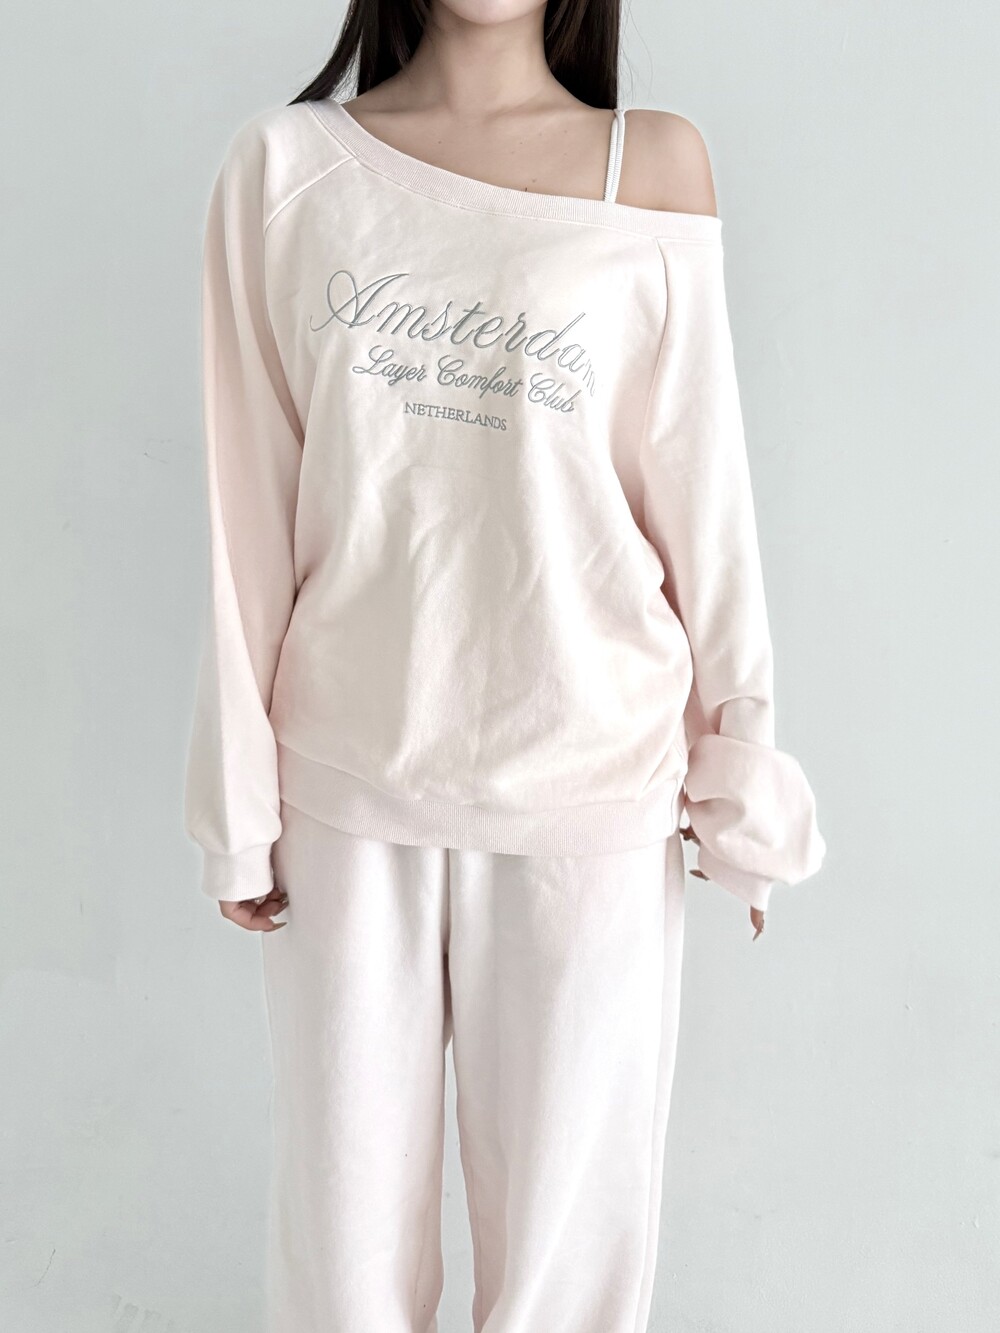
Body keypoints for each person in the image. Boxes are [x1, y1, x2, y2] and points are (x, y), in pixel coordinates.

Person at [182, 1, 826, 1328]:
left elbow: (701, 495)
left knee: (566, 1283)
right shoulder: (286, 170)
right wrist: (237, 809)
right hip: (349, 782)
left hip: (592, 788)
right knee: (342, 1277)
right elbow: (247, 505)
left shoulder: (651, 165)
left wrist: (741, 762)